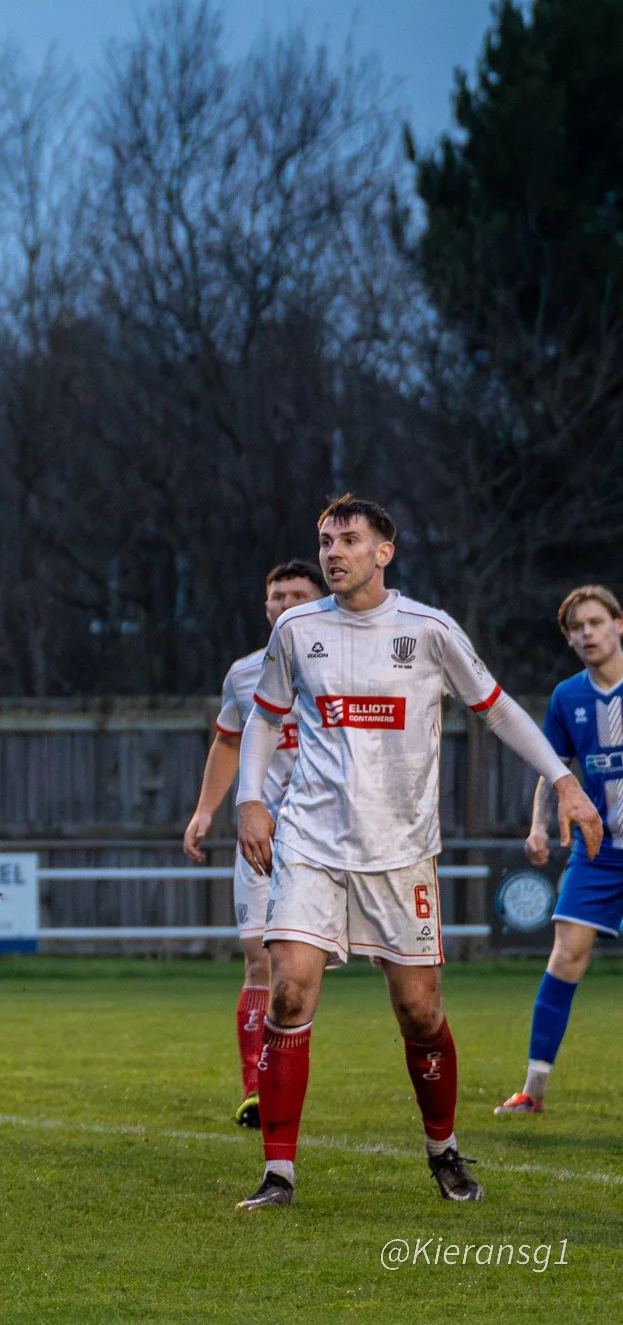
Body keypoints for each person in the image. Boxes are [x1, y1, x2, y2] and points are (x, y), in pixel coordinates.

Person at [231, 496, 603, 1210]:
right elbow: (264, 716)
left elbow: (496, 707)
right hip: (309, 842)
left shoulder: (428, 630)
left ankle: (443, 1151)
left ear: (384, 552)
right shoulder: (298, 630)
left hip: (401, 853)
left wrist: (563, 781)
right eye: (325, 539)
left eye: (348, 539)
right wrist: (251, 798)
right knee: (288, 989)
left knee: (421, 1011)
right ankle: (279, 1173)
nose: (333, 551)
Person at [182, 561, 326, 1128]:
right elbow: (226, 744)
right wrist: (205, 811)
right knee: (259, 962)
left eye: (298, 593)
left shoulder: (340, 668)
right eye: (276, 595)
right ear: (265, 607)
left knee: (305, 975)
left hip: (327, 839)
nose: (286, 602)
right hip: (261, 839)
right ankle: (256, 1091)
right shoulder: (244, 674)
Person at [496, 584, 623, 1116]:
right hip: (598, 851)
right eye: (577, 628)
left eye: (595, 622)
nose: (587, 633)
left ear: (619, 624)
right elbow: (554, 771)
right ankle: (533, 1090)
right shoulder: (567, 697)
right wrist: (539, 825)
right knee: (566, 956)